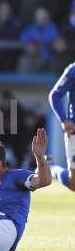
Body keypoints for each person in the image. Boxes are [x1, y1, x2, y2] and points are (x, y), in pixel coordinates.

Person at [48, 62, 75, 192]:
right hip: (74, 132)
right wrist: (64, 120)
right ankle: (52, 169)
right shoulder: (73, 70)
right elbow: (55, 95)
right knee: (74, 183)